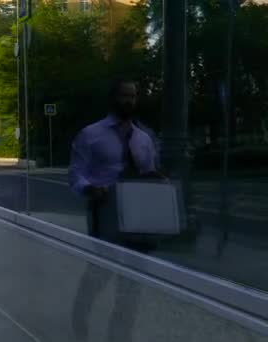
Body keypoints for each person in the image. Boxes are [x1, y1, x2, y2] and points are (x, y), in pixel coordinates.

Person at [68, 79, 162, 341]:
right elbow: (76, 174)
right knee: (97, 277)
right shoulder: (91, 134)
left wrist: (158, 179)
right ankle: (79, 328)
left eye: (133, 96)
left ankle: (119, 337)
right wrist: (90, 189)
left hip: (138, 216)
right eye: (124, 96)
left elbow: (149, 171)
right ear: (112, 99)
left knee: (131, 287)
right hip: (105, 212)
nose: (129, 101)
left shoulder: (144, 138)